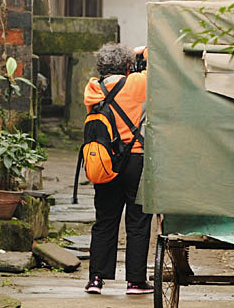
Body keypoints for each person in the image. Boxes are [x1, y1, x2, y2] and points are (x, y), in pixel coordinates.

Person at [84, 42, 152, 295]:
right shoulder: (137, 83)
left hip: (104, 161)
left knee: (104, 220)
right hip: (135, 159)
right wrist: (142, 51)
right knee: (137, 220)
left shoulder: (92, 88)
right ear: (127, 65)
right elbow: (157, 62)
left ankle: (96, 279)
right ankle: (135, 281)